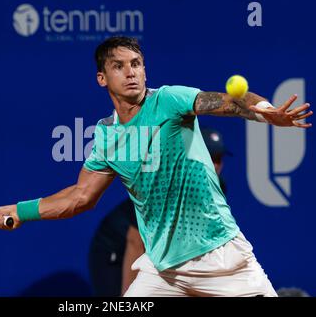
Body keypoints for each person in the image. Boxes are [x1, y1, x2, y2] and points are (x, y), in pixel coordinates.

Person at [0, 36, 313, 297]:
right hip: (163, 271)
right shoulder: (107, 135)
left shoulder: (168, 100)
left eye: (137, 64)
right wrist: (20, 211)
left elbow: (230, 102)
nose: (131, 72)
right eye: (119, 66)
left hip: (222, 259)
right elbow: (81, 196)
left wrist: (267, 112)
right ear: (102, 78)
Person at [88, 127, 230, 296]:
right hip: (117, 247)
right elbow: (136, 240)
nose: (215, 165)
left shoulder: (216, 187)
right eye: (209, 157)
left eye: (219, 159)